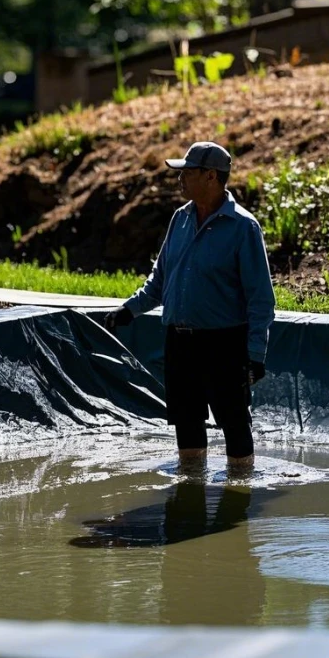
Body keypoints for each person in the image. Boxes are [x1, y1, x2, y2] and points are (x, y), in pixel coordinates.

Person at [104, 141, 274, 473]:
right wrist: (129, 310)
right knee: (186, 422)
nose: (179, 178)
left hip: (224, 343)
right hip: (180, 343)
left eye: (188, 172)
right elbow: (160, 280)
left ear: (211, 176)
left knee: (234, 423)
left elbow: (261, 300)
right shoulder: (179, 219)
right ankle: (190, 491)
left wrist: (255, 355)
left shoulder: (243, 227)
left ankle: (239, 496)